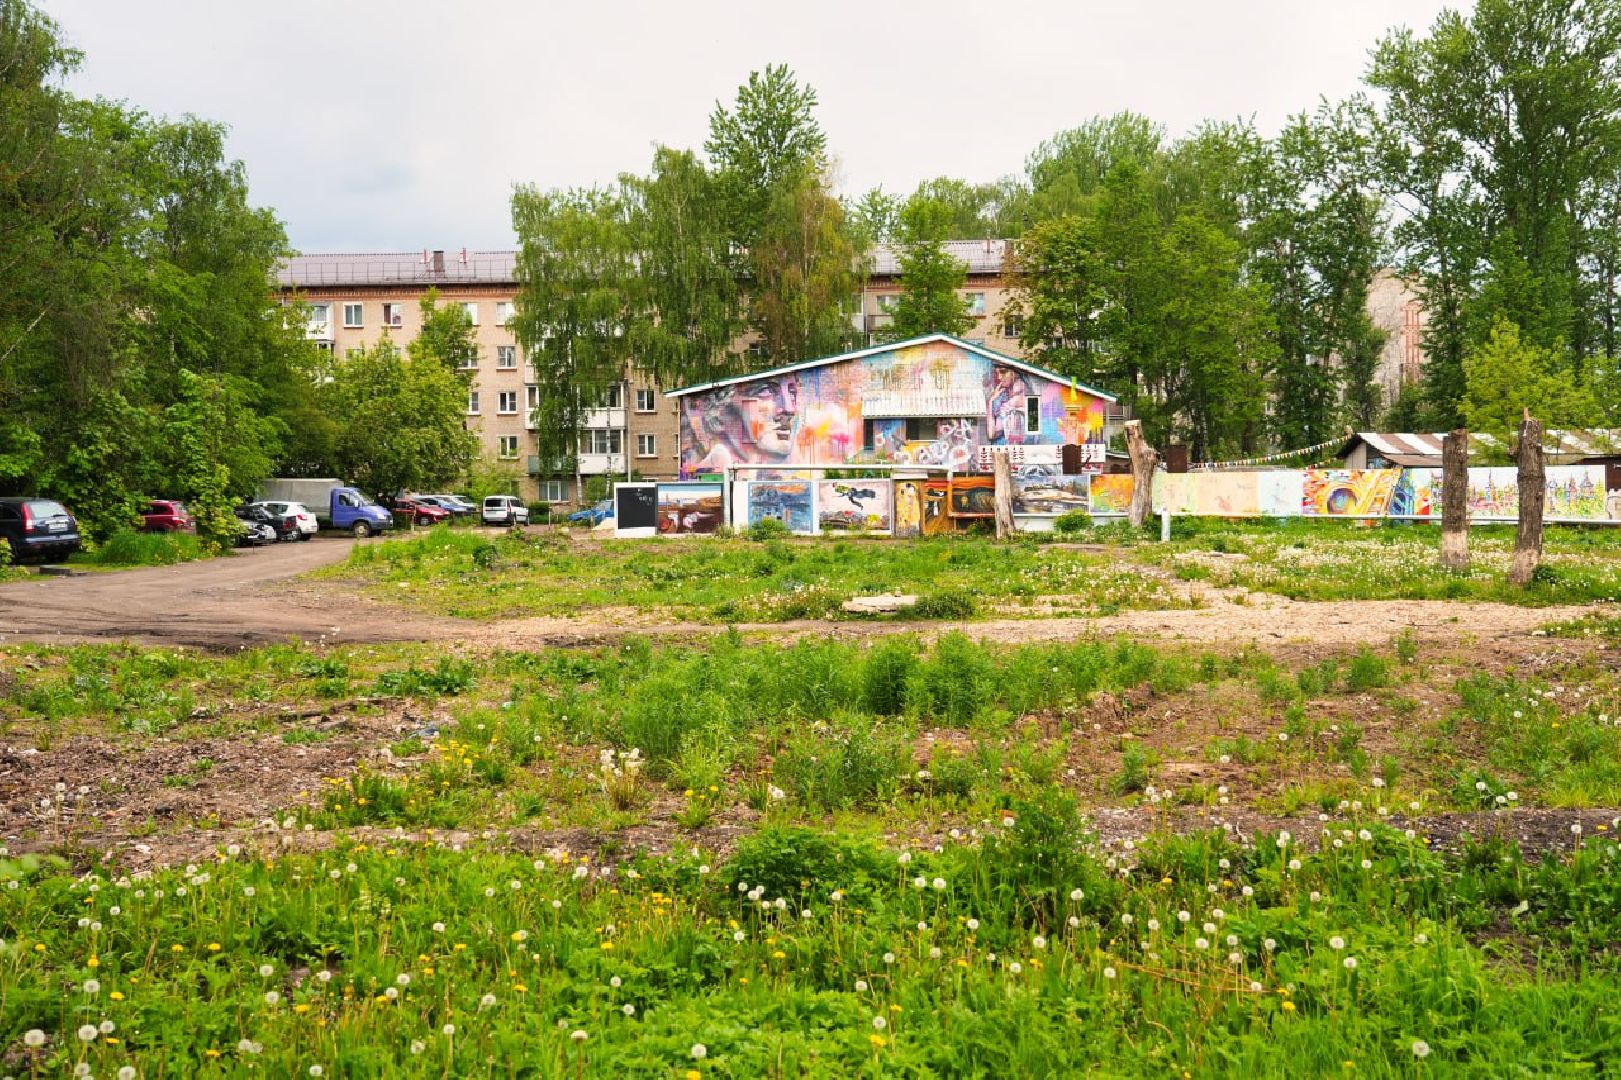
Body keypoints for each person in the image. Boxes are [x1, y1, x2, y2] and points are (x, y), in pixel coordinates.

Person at [683, 375, 801, 474]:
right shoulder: (710, 469)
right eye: (765, 391)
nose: (789, 409)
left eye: (792, 393)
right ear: (717, 412)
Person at [985, 366, 1032, 445]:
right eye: (997, 373)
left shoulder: (1027, 396)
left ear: (1015, 373)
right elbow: (991, 434)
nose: (999, 377)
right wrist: (991, 402)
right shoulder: (1001, 398)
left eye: (1003, 372)